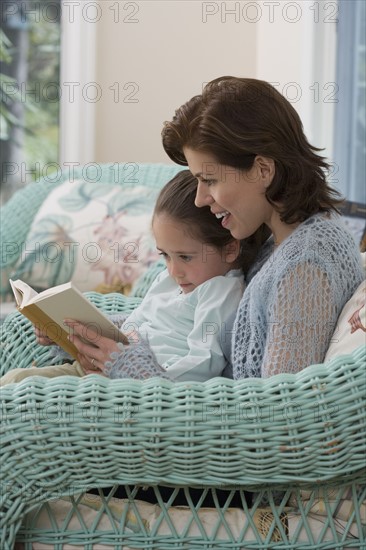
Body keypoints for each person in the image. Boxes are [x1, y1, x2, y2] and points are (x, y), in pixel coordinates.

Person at [161, 76, 364, 379]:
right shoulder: (280, 242)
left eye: (210, 180)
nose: (201, 199)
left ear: (263, 170)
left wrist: (134, 369)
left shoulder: (305, 265)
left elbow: (279, 413)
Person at [1, 170, 268, 386]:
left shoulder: (221, 292)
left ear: (230, 248)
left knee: (20, 391)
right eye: (165, 255)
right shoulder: (170, 280)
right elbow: (135, 326)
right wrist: (72, 332)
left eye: (185, 257)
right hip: (103, 373)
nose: (174, 270)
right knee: (14, 382)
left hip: (133, 392)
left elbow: (201, 368)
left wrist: (128, 368)